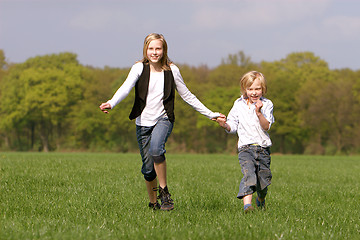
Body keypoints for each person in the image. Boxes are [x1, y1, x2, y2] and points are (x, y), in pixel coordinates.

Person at [99, 33, 223, 211]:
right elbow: (125, 88)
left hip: (163, 119)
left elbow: (187, 95)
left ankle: (164, 192)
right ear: (145, 49)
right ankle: (153, 203)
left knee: (157, 149)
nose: (154, 52)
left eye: (158, 48)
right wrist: (112, 102)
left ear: (164, 50)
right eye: (151, 48)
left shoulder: (172, 70)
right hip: (143, 123)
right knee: (148, 169)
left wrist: (210, 113)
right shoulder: (139, 68)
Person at [216, 71, 274, 213]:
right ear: (244, 89)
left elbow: (266, 126)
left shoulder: (267, 104)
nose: (254, 93)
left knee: (263, 182)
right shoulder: (238, 104)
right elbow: (233, 126)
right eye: (250, 89)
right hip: (245, 148)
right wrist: (224, 125)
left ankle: (260, 199)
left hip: (263, 149)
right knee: (249, 174)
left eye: (257, 89)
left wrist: (259, 112)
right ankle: (247, 206)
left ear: (263, 89)